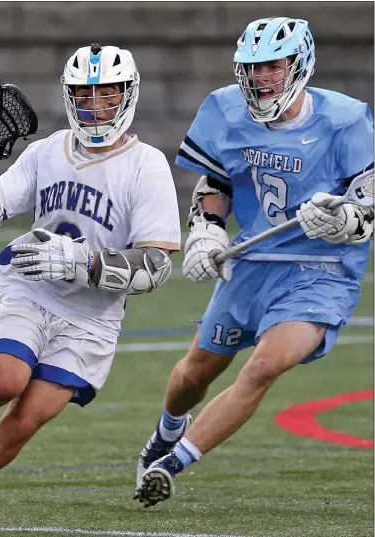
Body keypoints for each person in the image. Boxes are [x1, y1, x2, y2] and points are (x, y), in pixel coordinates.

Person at [0, 43, 181, 527]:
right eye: (85, 94)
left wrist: (84, 262)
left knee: (24, 422)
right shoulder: (48, 151)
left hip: (92, 321)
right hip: (33, 289)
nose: (96, 104)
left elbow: (156, 265)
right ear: (70, 97)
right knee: (6, 379)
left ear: (128, 95)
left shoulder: (147, 166)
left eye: (107, 94)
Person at [134, 17, 374, 508]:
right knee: (193, 375)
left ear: (299, 64)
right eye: (252, 67)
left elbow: (368, 206)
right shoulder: (224, 109)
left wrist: (344, 219)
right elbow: (216, 185)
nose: (260, 77)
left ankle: (170, 464)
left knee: (264, 366)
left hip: (321, 271)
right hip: (251, 261)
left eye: (272, 65)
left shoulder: (346, 119)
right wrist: (206, 231)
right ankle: (165, 432)